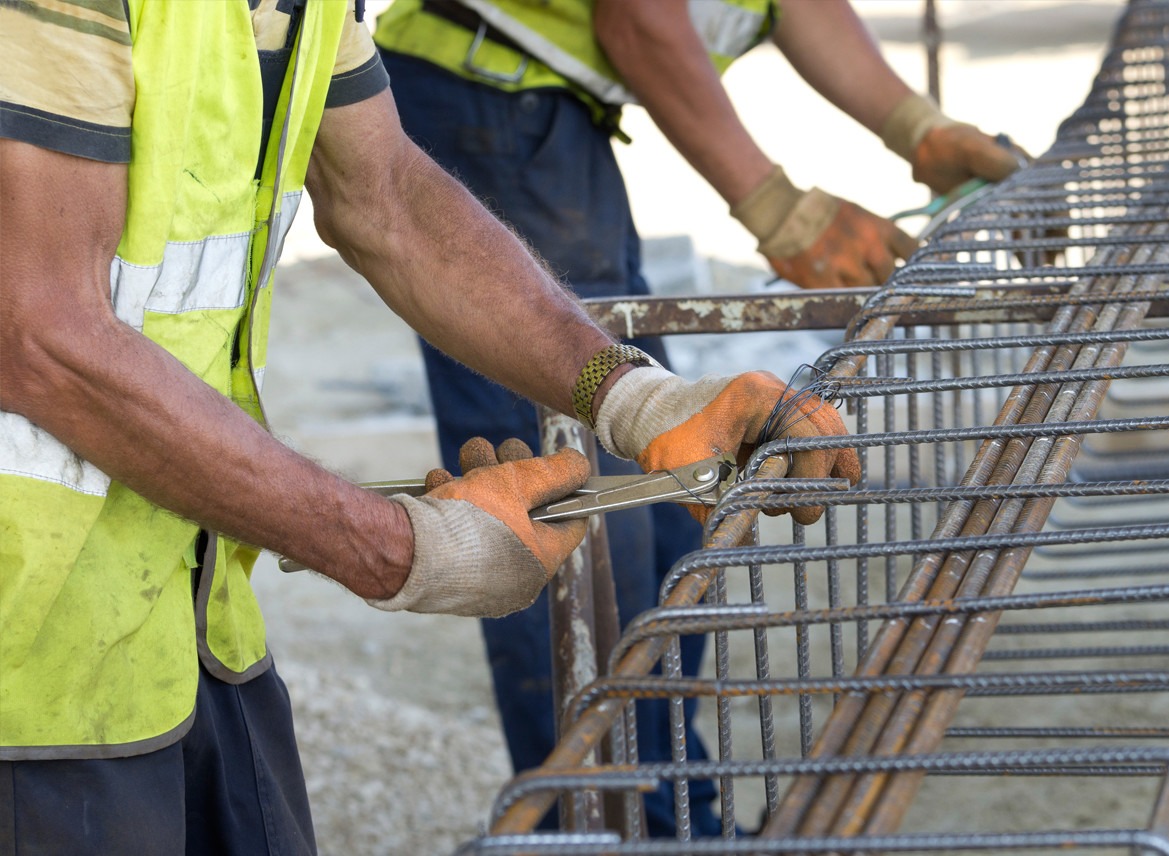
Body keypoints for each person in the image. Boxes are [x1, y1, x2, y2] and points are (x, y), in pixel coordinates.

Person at [0, 1, 859, 853]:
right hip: (27, 654)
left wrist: (635, 398)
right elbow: (41, 334)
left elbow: (388, 197)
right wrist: (396, 547)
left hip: (179, 609)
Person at [371, 0, 1025, 837]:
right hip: (491, 102)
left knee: (662, 520)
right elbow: (639, 18)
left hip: (544, 116)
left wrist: (917, 128)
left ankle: (675, 822)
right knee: (587, 534)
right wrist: (778, 208)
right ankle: (605, 831)